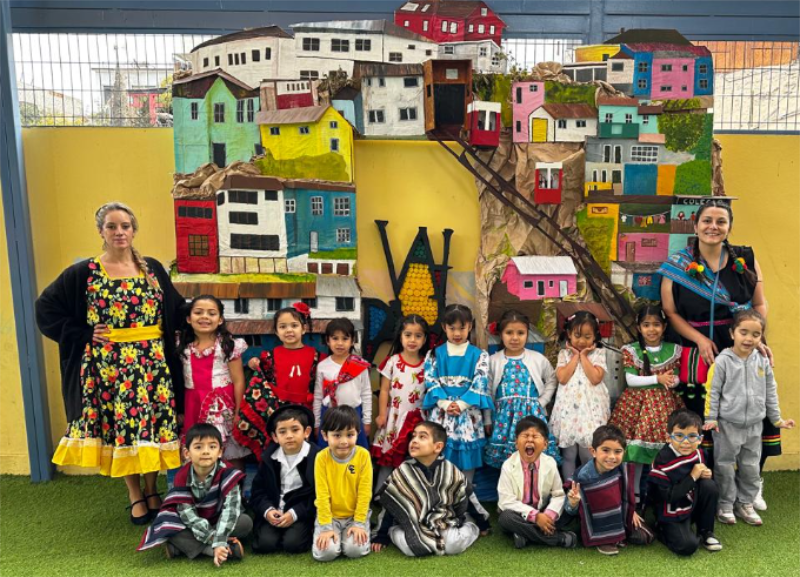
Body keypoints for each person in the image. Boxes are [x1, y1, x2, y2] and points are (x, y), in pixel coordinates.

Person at [36, 201, 185, 524]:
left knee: (153, 426)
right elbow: (45, 309)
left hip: (152, 364)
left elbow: (175, 306)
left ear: (133, 230)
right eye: (112, 226)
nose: (120, 232)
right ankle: (135, 494)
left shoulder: (153, 268)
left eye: (125, 226)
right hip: (111, 366)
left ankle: (152, 487)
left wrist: (205, 320)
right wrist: (83, 333)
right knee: (125, 429)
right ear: (101, 231)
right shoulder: (83, 273)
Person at [659, 199, 775, 509]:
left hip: (739, 342)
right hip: (698, 347)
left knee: (750, 406)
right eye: (707, 220)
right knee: (703, 410)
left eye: (720, 221)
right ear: (695, 225)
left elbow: (759, 304)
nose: (713, 226)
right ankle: (709, 484)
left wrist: (755, 336)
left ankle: (750, 487)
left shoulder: (746, 259)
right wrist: (699, 339)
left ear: (728, 227)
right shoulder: (677, 264)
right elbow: (670, 312)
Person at [703, 310, 795, 526]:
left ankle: (745, 503)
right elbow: (712, 391)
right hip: (726, 425)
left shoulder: (762, 362)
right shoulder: (722, 362)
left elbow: (770, 391)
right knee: (724, 465)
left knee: (751, 466)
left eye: (755, 334)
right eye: (743, 332)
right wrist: (711, 418)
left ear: (760, 337)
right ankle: (725, 504)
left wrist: (777, 419)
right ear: (732, 333)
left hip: (754, 426)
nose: (749, 338)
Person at [138, 423, 252, 566]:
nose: (206, 452)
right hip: (193, 522)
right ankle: (213, 551)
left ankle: (181, 549)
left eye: (212, 446)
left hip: (218, 518)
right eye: (198, 447)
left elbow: (231, 509)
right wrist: (215, 542)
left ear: (220, 452)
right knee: (168, 527)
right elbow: (188, 515)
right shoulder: (182, 476)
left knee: (245, 523)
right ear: (187, 453)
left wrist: (219, 538)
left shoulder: (228, 472)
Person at [609, 304, 684, 502]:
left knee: (662, 450)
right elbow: (631, 380)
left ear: (665, 326)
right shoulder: (631, 350)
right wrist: (658, 380)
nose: (652, 329)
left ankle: (660, 493)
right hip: (636, 406)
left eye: (656, 324)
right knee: (636, 451)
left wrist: (671, 381)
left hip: (664, 405)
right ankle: (634, 495)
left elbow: (677, 379)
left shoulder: (673, 350)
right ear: (639, 327)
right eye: (646, 325)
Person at [375, 421, 480, 557]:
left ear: (437, 447)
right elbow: (390, 503)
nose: (414, 441)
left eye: (422, 437)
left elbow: (468, 495)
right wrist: (381, 535)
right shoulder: (403, 471)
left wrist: (482, 522)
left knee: (452, 546)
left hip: (444, 519)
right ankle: (394, 531)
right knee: (412, 549)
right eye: (413, 436)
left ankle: (471, 527)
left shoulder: (450, 470)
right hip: (412, 522)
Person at [236, 303, 323, 459]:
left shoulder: (317, 356)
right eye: (283, 327)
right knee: (276, 451)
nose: (289, 330)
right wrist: (252, 363)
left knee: (305, 451)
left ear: (303, 329)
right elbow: (260, 376)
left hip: (306, 411)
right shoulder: (269, 356)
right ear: (276, 332)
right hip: (277, 411)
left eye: (294, 325)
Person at [177, 295, 249, 469]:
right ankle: (203, 489)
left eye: (211, 313)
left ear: (220, 320)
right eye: (198, 312)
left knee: (228, 449)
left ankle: (234, 487)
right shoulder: (182, 345)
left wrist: (239, 411)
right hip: (193, 403)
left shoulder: (227, 346)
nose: (205, 317)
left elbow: (239, 381)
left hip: (221, 405)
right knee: (198, 446)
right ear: (188, 318)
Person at [422, 304, 493, 479]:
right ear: (444, 327)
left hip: (468, 411)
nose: (457, 333)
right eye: (452, 328)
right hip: (441, 412)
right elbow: (430, 379)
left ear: (470, 326)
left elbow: (480, 381)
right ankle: (438, 495)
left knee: (467, 455)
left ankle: (464, 496)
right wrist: (444, 403)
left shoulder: (480, 355)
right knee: (439, 452)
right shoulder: (433, 354)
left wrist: (461, 404)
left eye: (462, 328)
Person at [484, 310, 560, 469]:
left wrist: (542, 401)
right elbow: (487, 391)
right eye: (509, 332)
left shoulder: (537, 359)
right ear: (501, 334)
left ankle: (533, 489)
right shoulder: (493, 360)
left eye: (520, 333)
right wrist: (488, 419)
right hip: (504, 419)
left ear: (527, 334)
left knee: (534, 453)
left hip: (532, 415)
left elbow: (552, 379)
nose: (514, 338)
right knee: (509, 460)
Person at [563, 425, 654, 556]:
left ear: (624, 452)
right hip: (596, 523)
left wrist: (631, 511)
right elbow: (570, 511)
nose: (612, 457)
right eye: (606, 450)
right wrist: (573, 502)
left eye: (617, 451)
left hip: (619, 515)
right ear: (593, 451)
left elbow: (625, 495)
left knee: (643, 537)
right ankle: (605, 539)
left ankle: (618, 532)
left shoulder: (622, 469)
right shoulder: (582, 477)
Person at [648, 408, 722, 556]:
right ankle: (662, 530)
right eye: (679, 436)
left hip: (690, 503)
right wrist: (693, 476)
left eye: (692, 436)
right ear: (669, 438)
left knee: (709, 485)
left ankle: (706, 531)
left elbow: (701, 480)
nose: (686, 442)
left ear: (700, 439)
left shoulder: (699, 453)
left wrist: (705, 473)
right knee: (688, 546)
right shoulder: (662, 461)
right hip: (669, 510)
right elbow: (668, 497)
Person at [496, 416, 577, 550]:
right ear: (516, 442)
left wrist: (547, 516)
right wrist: (535, 517)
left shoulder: (550, 463)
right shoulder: (508, 465)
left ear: (545, 444)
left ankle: (524, 534)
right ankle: (557, 538)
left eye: (535, 436)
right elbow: (506, 501)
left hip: (543, 511)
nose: (530, 439)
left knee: (569, 510)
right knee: (505, 518)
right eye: (525, 435)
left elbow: (558, 495)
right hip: (518, 514)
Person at [250, 405, 319, 555]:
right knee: (265, 544)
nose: (289, 436)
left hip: (300, 511)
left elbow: (318, 494)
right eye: (282, 431)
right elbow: (258, 491)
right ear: (275, 437)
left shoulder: (317, 458)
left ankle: (305, 530)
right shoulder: (269, 458)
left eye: (295, 430)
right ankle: (273, 527)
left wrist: (294, 513)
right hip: (275, 510)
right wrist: (268, 511)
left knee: (292, 544)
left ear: (306, 432)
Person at [372, 314, 429, 493]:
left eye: (418, 336)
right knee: (389, 456)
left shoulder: (427, 364)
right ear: (400, 337)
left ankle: (407, 494)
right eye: (408, 335)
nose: (413, 340)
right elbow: (383, 391)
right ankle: (381, 493)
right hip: (394, 419)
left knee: (412, 457)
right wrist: (381, 415)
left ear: (425, 339)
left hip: (417, 419)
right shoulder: (393, 362)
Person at [550, 311, 609, 482]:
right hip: (568, 412)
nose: (582, 341)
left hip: (589, 413)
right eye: (577, 336)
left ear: (595, 337)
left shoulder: (598, 354)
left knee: (587, 452)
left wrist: (584, 356)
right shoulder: (564, 355)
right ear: (569, 334)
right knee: (569, 454)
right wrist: (575, 356)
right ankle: (570, 488)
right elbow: (562, 378)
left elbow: (595, 378)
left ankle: (589, 486)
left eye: (587, 336)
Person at [312, 405, 373, 562]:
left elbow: (365, 492)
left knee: (355, 550)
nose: (344, 441)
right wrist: (326, 527)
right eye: (337, 435)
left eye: (350, 435)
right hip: (330, 517)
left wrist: (359, 523)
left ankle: (355, 532)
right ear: (325, 435)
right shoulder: (321, 458)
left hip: (354, 516)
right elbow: (322, 494)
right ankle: (334, 536)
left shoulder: (363, 455)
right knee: (325, 553)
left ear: (357, 434)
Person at [313, 319, 372, 449]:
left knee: (355, 453)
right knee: (329, 453)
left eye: (345, 338)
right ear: (328, 341)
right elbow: (318, 396)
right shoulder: (323, 366)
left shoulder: (359, 365)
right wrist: (317, 423)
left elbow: (366, 394)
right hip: (329, 415)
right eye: (335, 338)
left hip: (354, 415)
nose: (340, 343)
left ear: (352, 341)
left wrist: (366, 421)